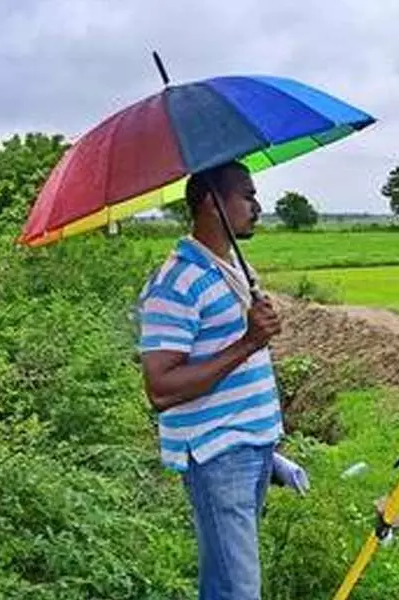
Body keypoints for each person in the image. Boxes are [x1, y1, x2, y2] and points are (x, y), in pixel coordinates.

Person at [138, 161, 283, 600]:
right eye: (247, 195)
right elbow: (160, 388)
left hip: (252, 447)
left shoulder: (230, 268)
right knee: (240, 590)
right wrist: (248, 341)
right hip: (219, 454)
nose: (257, 206)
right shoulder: (177, 281)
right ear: (211, 202)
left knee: (224, 582)